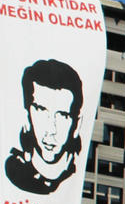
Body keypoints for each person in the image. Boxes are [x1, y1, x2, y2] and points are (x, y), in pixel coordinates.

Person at [5, 59, 84, 195]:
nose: (51, 131)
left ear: (77, 125)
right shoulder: (14, 171)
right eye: (41, 110)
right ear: (27, 117)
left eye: (63, 115)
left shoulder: (75, 180)